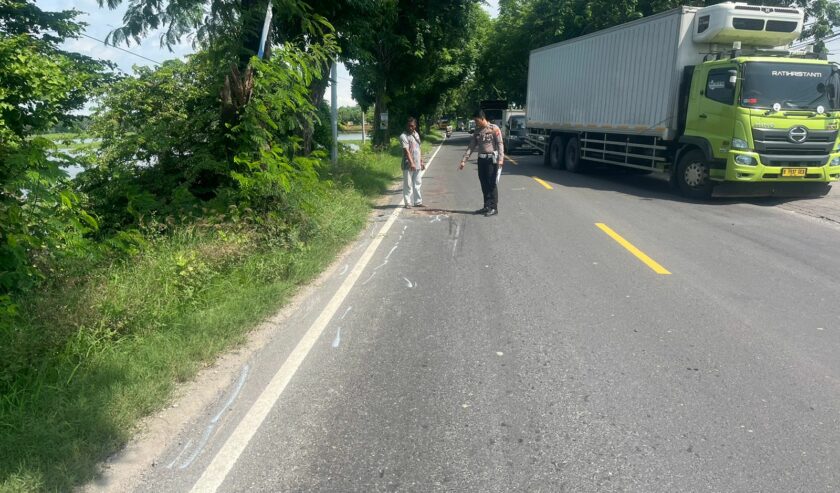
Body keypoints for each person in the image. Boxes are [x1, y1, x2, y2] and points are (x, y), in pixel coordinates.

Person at [459, 110, 504, 216]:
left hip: (491, 160)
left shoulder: (494, 128)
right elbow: (471, 146)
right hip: (481, 160)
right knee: (483, 183)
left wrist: (501, 159)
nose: (475, 123)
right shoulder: (477, 130)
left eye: (476, 120)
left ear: (482, 118)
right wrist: (464, 160)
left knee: (491, 184)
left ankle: (494, 208)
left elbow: (500, 144)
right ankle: (486, 206)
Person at [399, 117, 425, 208]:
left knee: (417, 183)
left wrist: (421, 161)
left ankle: (418, 202)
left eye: (412, 126)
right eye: (409, 126)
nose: (410, 128)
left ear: (415, 126)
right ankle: (408, 203)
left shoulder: (416, 134)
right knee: (408, 184)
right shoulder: (403, 136)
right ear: (406, 126)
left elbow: (419, 148)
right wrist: (412, 163)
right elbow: (406, 151)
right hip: (407, 164)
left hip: (417, 163)